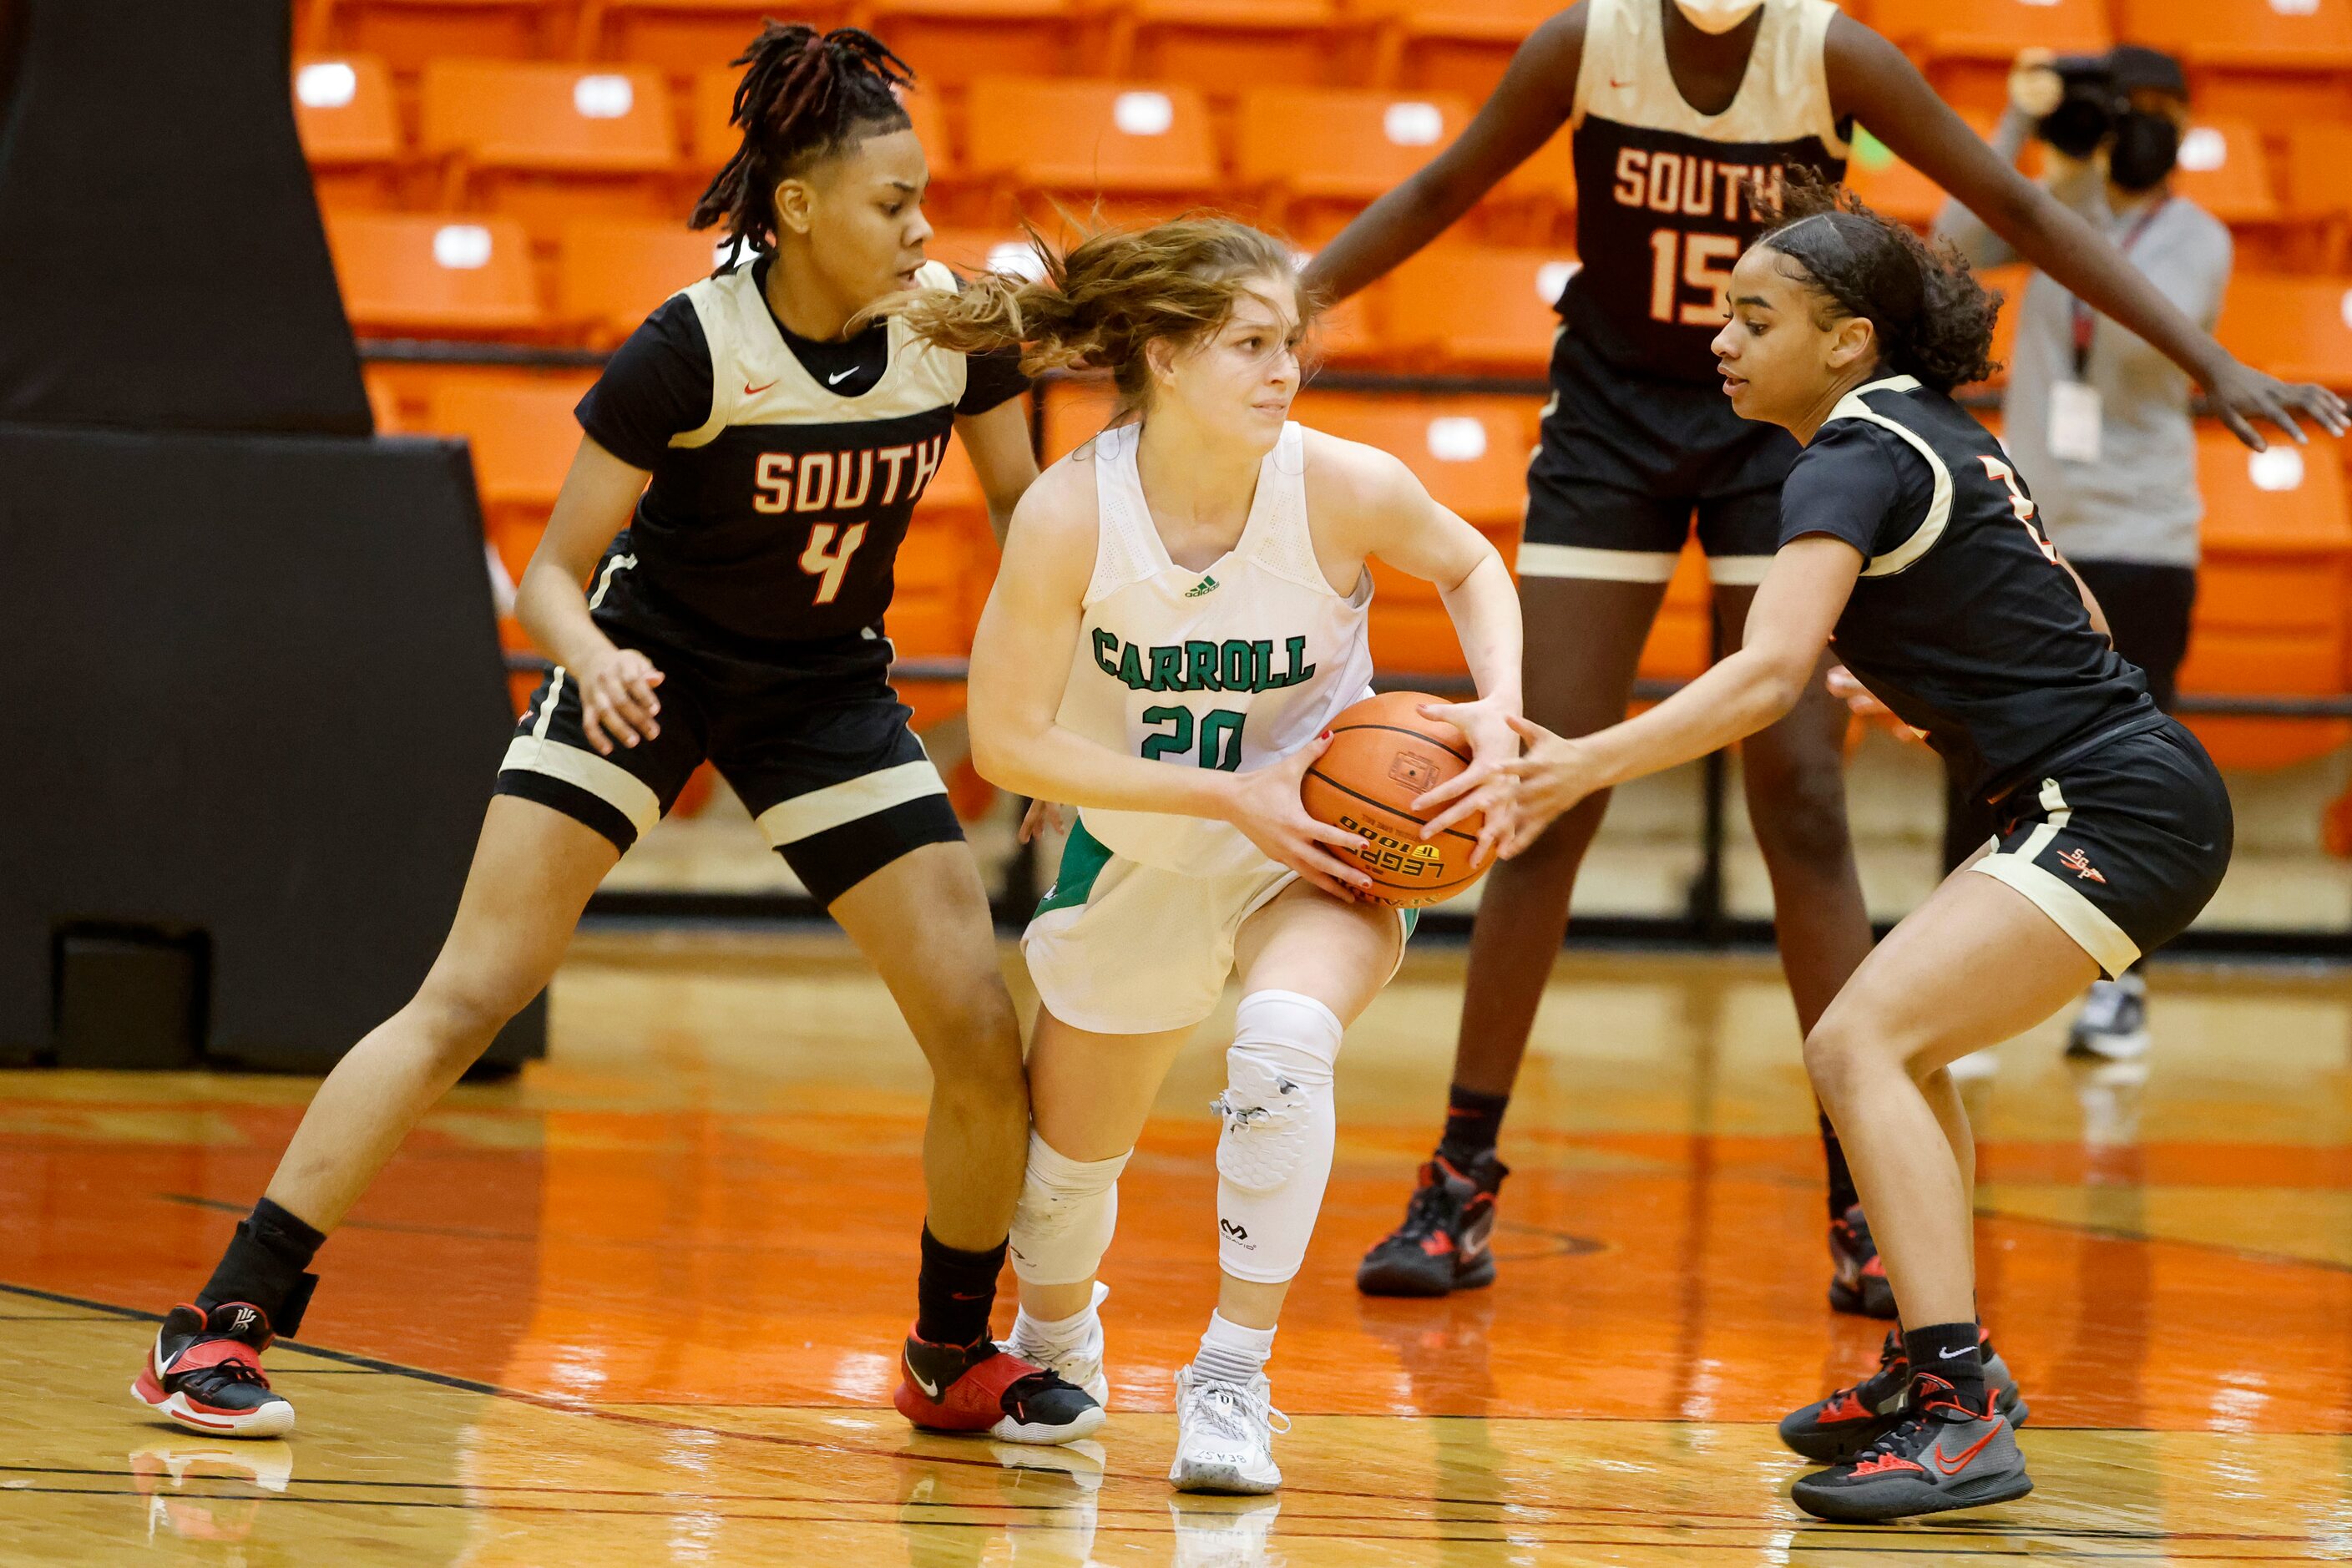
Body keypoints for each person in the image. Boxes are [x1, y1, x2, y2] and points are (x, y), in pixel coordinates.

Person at [133, 25, 1102, 1449]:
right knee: (470, 993)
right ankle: (216, 1320)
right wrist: (591, 654)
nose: (921, 225)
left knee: (973, 1024)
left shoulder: (952, 327)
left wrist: (1052, 721)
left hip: (825, 692)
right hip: (648, 666)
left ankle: (950, 1347)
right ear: (798, 210)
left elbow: (1032, 522)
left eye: (924, 197)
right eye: (894, 201)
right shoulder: (688, 347)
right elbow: (545, 572)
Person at [1302, 0, 2332, 1318]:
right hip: (1614, 415)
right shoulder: (1587, 41)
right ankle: (1461, 1170)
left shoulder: (1829, 51)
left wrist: (2206, 360)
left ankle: (1862, 1189)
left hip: (1774, 424)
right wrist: (1257, 310)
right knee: (1541, 796)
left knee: (1798, 792)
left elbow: (2010, 202)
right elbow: (1445, 183)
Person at [1424, 175, 2336, 1520]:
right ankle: (1934, 1364)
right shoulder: (1941, 437)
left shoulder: (1846, 454)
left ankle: (1960, 1411)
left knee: (1853, 1044)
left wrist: (1578, 762)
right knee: (1897, 1046)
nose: (1719, 340)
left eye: (1753, 316)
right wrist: (1950, 689)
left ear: (1847, 339)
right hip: (2111, 788)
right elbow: (2063, 602)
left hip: (2110, 806)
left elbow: (1761, 674)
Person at [901, 217, 1525, 1493]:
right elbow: (1011, 743)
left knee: (1285, 1043)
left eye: (1291, 342)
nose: (1283, 368)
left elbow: (1469, 562)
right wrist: (1219, 793)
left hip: (1315, 845)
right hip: (1145, 847)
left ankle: (1232, 1377)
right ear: (1167, 356)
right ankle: (1058, 1337)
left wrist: (1499, 713)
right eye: (1251, 344)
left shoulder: (1336, 481)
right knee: (1062, 1184)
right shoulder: (1075, 511)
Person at [1934, 45, 2226, 1063]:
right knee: (1976, 752)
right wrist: (2025, 137)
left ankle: (2119, 993)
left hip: (2143, 533)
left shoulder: (2199, 235)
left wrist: (2083, 210)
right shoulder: (2047, 205)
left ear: (2184, 121)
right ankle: (1951, 985)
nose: (2136, 123)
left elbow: (2156, 337)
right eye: (2120, 107)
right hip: (2029, 531)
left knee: (2134, 763)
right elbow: (1948, 249)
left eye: (2154, 108)